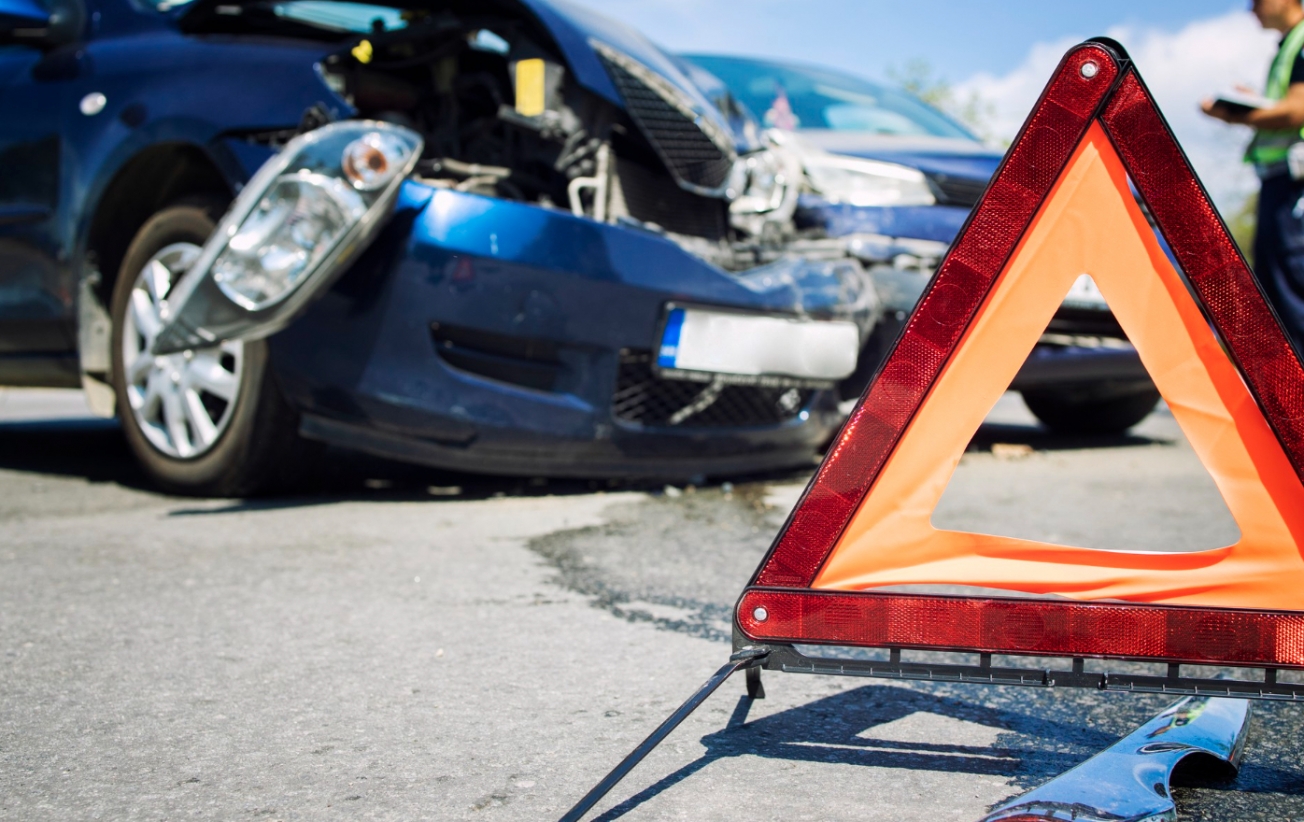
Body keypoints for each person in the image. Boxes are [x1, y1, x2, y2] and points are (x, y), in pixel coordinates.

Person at [1203, 0, 1304, 355]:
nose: (1252, 10)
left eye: (1257, 1)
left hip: (1295, 187)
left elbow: (1295, 111)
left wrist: (1236, 114)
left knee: (1291, 292)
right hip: (1284, 184)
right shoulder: (1290, 45)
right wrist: (1256, 103)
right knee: (1279, 291)